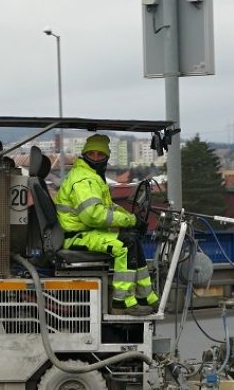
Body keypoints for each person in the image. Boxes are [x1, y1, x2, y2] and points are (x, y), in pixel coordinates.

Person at [55, 134, 159, 316]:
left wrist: (129, 218)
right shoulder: (84, 180)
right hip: (77, 236)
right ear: (85, 154)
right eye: (92, 153)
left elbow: (108, 207)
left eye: (100, 155)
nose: (96, 158)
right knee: (125, 245)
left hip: (87, 233)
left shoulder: (93, 177)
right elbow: (93, 216)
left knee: (132, 239)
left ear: (107, 157)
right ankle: (121, 303)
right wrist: (131, 221)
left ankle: (146, 297)